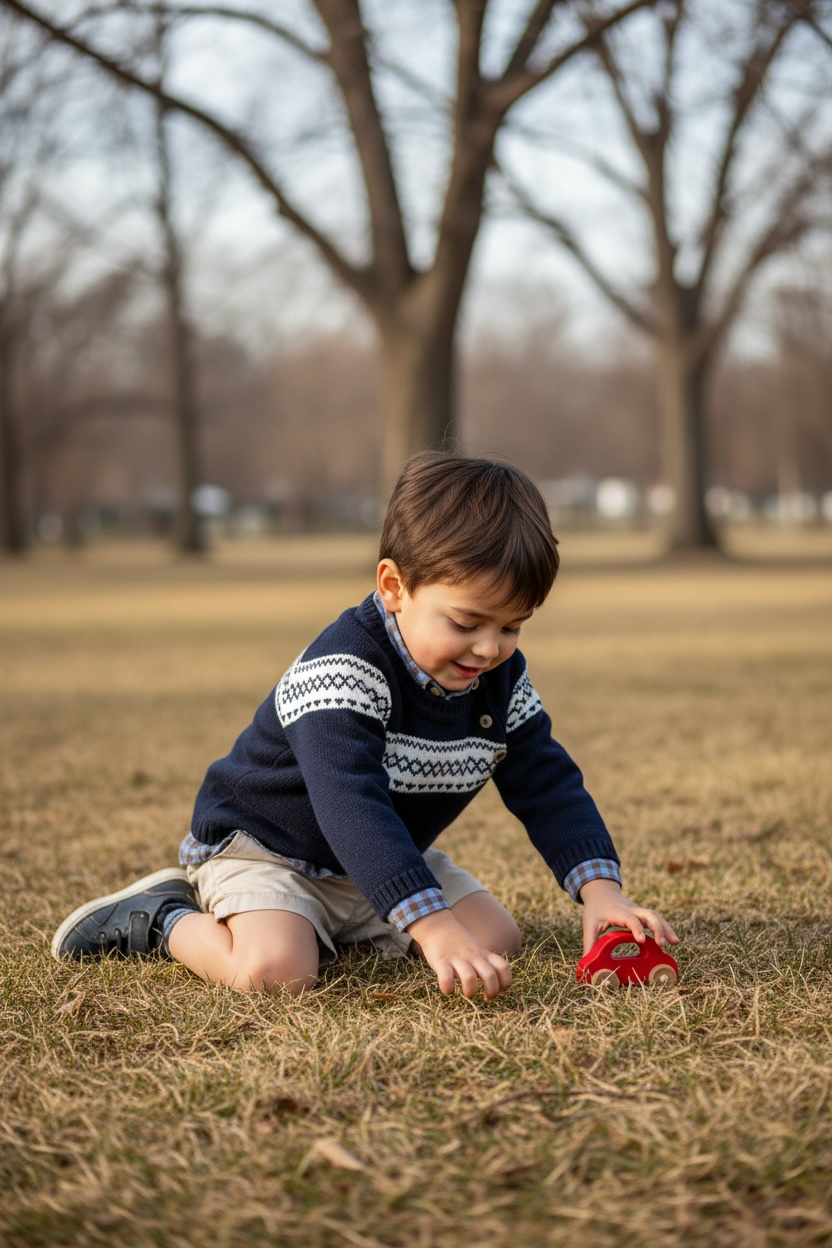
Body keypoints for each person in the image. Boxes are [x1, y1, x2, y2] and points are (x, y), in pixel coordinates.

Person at [52, 452, 678, 999]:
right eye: (466, 623)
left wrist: (601, 889)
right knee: (277, 972)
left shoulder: (496, 680)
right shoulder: (343, 669)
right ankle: (162, 916)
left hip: (376, 859)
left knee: (497, 937)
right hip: (269, 850)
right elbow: (350, 805)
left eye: (512, 626)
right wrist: (431, 927)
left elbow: (548, 781)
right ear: (394, 586)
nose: (489, 649)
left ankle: (352, 919)